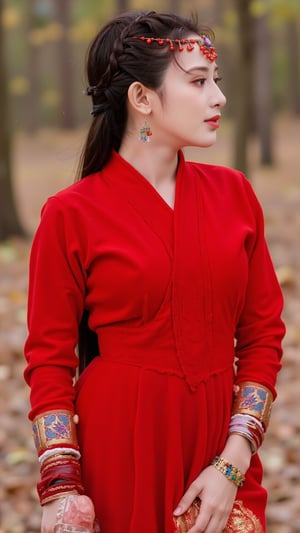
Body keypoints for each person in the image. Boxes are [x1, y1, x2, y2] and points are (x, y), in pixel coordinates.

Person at [24, 10, 285, 533]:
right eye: (198, 82)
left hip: (221, 444)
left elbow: (263, 337)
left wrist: (232, 462)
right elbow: (50, 362)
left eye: (217, 81)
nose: (218, 97)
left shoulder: (234, 195)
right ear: (141, 98)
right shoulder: (70, 214)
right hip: (120, 447)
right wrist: (62, 485)